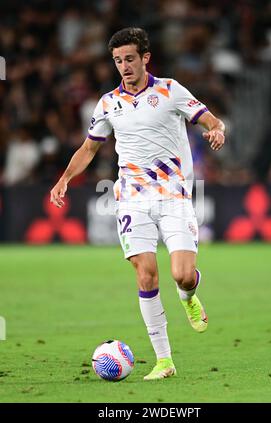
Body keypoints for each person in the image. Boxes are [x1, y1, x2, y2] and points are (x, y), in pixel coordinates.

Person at [50, 27, 225, 380]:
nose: (124, 66)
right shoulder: (107, 104)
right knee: (146, 276)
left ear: (145, 57)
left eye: (130, 58)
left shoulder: (170, 90)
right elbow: (89, 148)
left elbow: (211, 119)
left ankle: (188, 293)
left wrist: (217, 130)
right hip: (131, 200)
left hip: (174, 197)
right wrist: (65, 178)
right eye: (118, 61)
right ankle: (164, 361)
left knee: (182, 274)